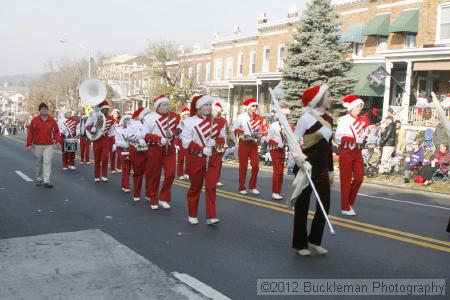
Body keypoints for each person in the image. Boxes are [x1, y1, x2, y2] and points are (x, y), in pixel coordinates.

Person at [292, 84, 334, 256]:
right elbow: (294, 141)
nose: (332, 99)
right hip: (306, 167)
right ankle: (300, 244)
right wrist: (298, 158)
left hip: (323, 168)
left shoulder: (329, 119)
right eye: (329, 96)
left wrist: (331, 169)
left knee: (325, 204)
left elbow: (328, 146)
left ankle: (315, 240)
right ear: (319, 98)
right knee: (302, 206)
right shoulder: (306, 118)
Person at [181, 94, 225, 225]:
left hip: (213, 159)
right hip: (196, 158)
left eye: (210, 105)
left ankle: (211, 216)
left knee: (211, 186)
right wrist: (201, 149)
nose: (209, 107)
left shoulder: (219, 122)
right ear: (199, 107)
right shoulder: (189, 122)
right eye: (206, 105)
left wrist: (216, 141)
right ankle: (192, 214)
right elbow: (185, 142)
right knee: (195, 187)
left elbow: (223, 139)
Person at [142, 95, 181, 210]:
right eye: (164, 105)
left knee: (170, 173)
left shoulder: (174, 116)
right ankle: (153, 197)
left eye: (167, 104)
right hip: (155, 148)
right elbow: (145, 134)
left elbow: (180, 129)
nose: (167, 107)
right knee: (155, 175)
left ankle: (163, 198)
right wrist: (159, 138)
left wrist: (173, 132)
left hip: (170, 148)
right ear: (158, 107)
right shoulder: (149, 118)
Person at [335, 95, 369, 216]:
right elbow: (338, 138)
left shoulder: (362, 120)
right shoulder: (344, 120)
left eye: (361, 106)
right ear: (352, 107)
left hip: (358, 152)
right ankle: (345, 207)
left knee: (359, 178)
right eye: (358, 105)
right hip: (346, 151)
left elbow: (363, 135)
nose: (360, 108)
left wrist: (365, 138)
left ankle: (349, 203)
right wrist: (354, 139)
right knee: (346, 180)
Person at [232, 98, 266, 195]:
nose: (255, 107)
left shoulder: (259, 118)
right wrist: (244, 133)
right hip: (244, 143)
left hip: (254, 144)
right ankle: (241, 187)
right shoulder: (241, 117)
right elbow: (235, 129)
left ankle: (252, 186)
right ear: (249, 107)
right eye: (253, 105)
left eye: (256, 106)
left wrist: (261, 136)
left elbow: (263, 130)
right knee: (243, 167)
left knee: (255, 166)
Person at [26, 103, 61, 188]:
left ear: (47, 110)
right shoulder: (35, 120)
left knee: (47, 162)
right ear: (40, 111)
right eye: (42, 109)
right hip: (37, 145)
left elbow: (56, 131)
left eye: (45, 109)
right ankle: (39, 179)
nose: (44, 110)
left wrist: (58, 141)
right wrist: (29, 144)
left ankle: (47, 180)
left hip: (49, 145)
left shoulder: (52, 120)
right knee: (39, 162)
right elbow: (30, 133)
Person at [85, 100, 115, 182]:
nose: (106, 110)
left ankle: (104, 175)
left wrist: (113, 144)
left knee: (105, 158)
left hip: (106, 141)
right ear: (101, 109)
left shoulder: (111, 119)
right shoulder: (94, 116)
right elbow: (86, 126)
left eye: (107, 109)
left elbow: (112, 133)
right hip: (97, 140)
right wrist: (92, 129)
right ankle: (97, 176)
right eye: (104, 109)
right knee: (97, 159)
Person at [124, 107, 149, 201]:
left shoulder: (150, 123)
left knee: (150, 173)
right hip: (137, 150)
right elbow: (127, 135)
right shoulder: (133, 123)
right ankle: (136, 194)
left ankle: (149, 194)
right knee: (138, 172)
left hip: (149, 150)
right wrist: (138, 139)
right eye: (146, 114)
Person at [267, 105, 290, 200]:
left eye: (286, 115)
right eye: (284, 115)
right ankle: (274, 192)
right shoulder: (274, 125)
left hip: (282, 150)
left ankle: (277, 192)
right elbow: (268, 139)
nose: (285, 117)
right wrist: (278, 144)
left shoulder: (286, 125)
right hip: (275, 149)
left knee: (281, 172)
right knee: (278, 171)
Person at [115, 111, 132, 193]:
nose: (127, 122)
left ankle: (123, 183)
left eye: (128, 120)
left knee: (128, 169)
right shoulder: (118, 129)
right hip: (121, 149)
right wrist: (124, 144)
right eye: (126, 120)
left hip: (130, 150)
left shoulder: (132, 130)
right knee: (125, 167)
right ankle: (126, 186)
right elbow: (116, 141)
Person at [211, 102, 228, 187]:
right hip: (208, 143)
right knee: (209, 162)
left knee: (218, 162)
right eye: (212, 110)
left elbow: (224, 133)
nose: (213, 112)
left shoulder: (222, 121)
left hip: (219, 143)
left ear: (218, 112)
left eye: (215, 111)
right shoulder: (206, 119)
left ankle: (216, 179)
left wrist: (225, 143)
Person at [176, 107, 190, 180]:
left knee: (188, 159)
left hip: (188, 142)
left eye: (188, 114)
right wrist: (177, 144)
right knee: (180, 160)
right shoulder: (179, 124)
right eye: (186, 114)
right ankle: (180, 174)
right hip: (181, 142)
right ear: (183, 115)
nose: (188, 116)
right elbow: (177, 134)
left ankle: (186, 173)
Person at [110, 109, 121, 174]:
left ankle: (118, 167)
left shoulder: (120, 122)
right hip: (112, 139)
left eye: (117, 114)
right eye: (115, 113)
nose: (116, 115)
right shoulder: (110, 121)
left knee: (120, 154)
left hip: (119, 139)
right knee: (112, 155)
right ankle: (112, 168)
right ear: (112, 114)